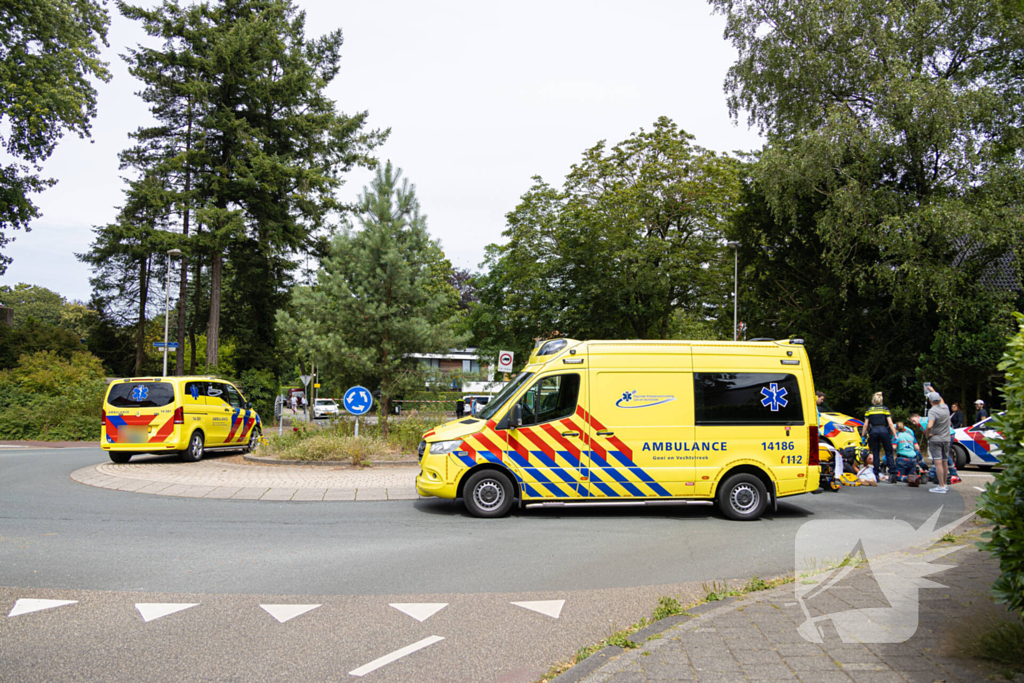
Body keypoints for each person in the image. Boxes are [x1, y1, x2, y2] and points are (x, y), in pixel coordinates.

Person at [862, 392, 897, 481]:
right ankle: (892, 474)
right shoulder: (885, 409)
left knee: (876, 452)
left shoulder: (869, 410)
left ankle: (876, 473)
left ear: (873, 400)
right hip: (884, 431)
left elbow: (865, 425)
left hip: (873, 431)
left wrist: (863, 435)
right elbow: (890, 423)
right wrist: (895, 434)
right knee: (889, 452)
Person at [924, 391, 952, 493]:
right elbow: (942, 400)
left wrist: (927, 434)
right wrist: (933, 390)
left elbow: (930, 425)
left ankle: (940, 486)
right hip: (946, 438)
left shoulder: (932, 411)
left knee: (937, 461)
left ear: (930, 401)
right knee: (945, 461)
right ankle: (944, 484)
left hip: (936, 438)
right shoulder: (946, 407)